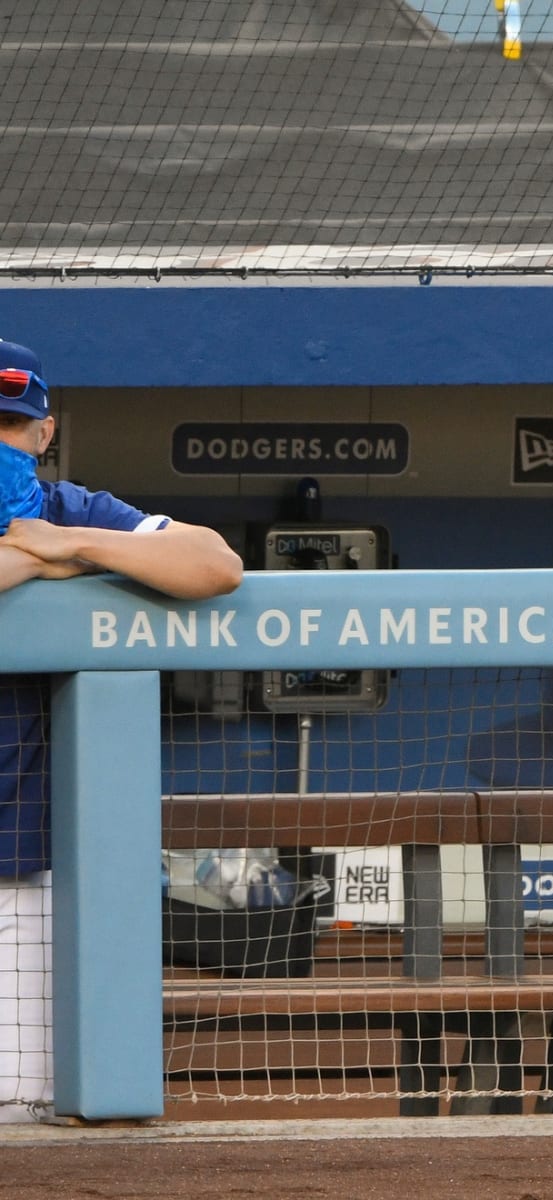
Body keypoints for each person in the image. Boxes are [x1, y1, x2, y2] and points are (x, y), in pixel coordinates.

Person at [0, 339, 243, 1121]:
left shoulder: (74, 514)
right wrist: (33, 564)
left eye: (12, 423)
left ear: (45, 433)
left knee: (21, 1112)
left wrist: (69, 546)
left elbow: (214, 564)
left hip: (24, 870)